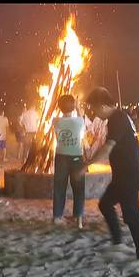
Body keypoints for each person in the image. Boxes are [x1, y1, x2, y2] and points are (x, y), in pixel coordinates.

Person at [85, 87, 139, 267]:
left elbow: (107, 147)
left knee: (132, 216)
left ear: (102, 105)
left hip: (129, 176)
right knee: (105, 204)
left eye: (94, 109)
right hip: (122, 175)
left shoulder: (118, 119)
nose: (95, 113)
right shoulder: (118, 118)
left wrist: (86, 165)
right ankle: (118, 243)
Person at [52, 94, 86, 228]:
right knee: (79, 187)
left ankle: (57, 217)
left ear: (59, 108)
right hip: (76, 156)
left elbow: (57, 136)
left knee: (59, 187)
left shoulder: (55, 121)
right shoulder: (79, 121)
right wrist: (77, 106)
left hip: (61, 156)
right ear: (73, 107)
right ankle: (79, 219)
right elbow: (81, 116)